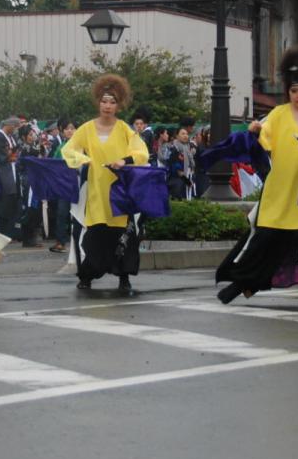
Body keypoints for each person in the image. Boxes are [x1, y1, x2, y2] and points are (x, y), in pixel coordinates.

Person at [215, 47, 298, 307]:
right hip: (282, 191)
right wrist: (254, 132)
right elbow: (264, 139)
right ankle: (242, 282)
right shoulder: (279, 114)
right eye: (294, 91)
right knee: (266, 238)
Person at [61, 74, 150, 295]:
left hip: (119, 191)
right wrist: (83, 160)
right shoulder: (86, 129)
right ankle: (87, 276)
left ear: (118, 105)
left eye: (112, 102)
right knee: (95, 237)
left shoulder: (124, 129)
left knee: (122, 237)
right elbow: (69, 150)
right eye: (104, 101)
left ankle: (124, 277)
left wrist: (124, 161)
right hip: (96, 191)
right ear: (98, 102)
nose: (107, 106)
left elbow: (142, 153)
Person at [48, 117, 77, 254]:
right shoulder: (60, 146)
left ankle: (80, 241)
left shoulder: (81, 146)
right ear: (62, 131)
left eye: (72, 128)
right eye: (67, 129)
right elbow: (53, 164)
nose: (70, 131)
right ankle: (61, 242)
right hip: (63, 185)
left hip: (77, 184)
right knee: (61, 213)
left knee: (78, 214)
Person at [0, 115, 22, 240]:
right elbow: (3, 156)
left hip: (13, 171)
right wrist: (13, 155)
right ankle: (0, 231)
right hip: (4, 172)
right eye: (14, 126)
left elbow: (13, 153)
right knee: (6, 201)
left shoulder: (10, 137)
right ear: (8, 126)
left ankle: (10, 231)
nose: (15, 129)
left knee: (14, 201)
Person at [161, 126, 196, 200]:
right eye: (183, 134)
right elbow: (177, 169)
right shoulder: (173, 149)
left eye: (186, 134)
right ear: (177, 136)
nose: (185, 136)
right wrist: (187, 182)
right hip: (177, 181)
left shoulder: (187, 148)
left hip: (187, 179)